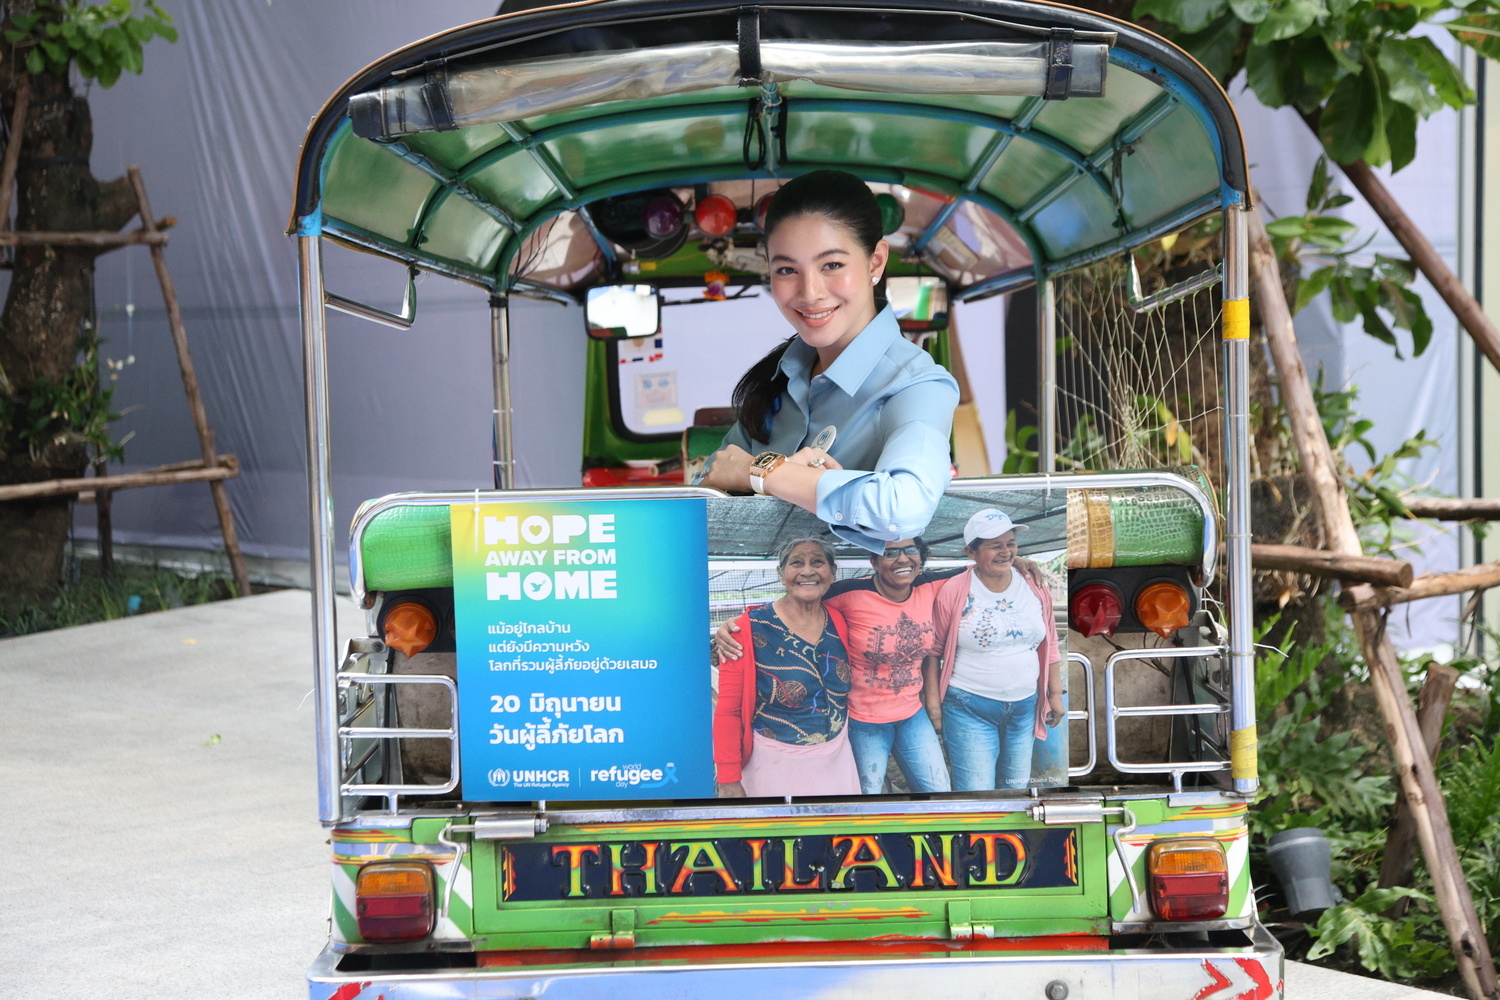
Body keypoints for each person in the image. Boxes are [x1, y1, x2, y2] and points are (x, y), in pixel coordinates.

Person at [698, 169, 959, 554]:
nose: (810, 292)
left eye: (832, 265)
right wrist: (746, 477)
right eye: (787, 270)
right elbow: (707, 490)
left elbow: (904, 509)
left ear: (875, 263)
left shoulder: (916, 385)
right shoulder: (783, 376)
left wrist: (767, 471)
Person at [713, 536, 860, 798]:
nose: (807, 571)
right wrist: (728, 778)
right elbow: (728, 711)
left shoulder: (838, 619)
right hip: (774, 763)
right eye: (796, 563)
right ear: (781, 574)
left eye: (818, 562)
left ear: (832, 572)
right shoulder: (745, 629)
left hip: (836, 758)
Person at [928, 508, 1063, 791]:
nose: (1005, 552)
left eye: (1010, 544)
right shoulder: (953, 590)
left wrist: (1053, 695)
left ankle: (1005, 838)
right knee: (976, 792)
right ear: (971, 551)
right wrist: (934, 706)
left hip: (1025, 707)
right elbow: (934, 652)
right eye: (994, 545)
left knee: (1015, 788)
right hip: (968, 706)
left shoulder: (1034, 586)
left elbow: (1050, 643)